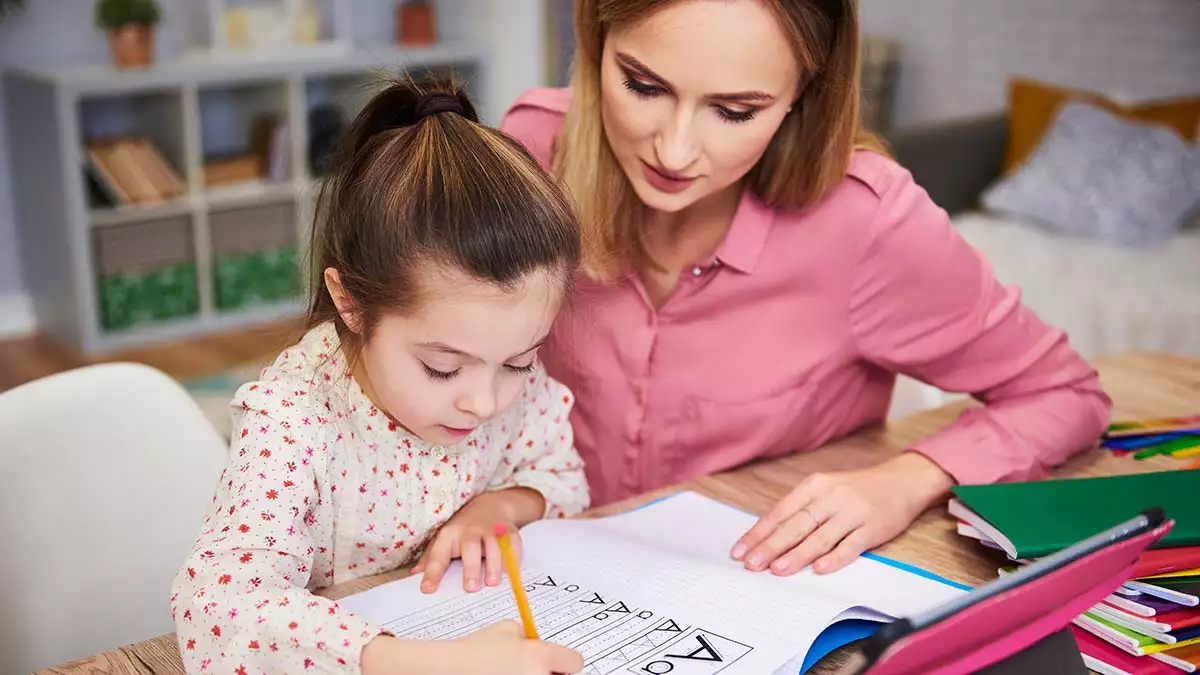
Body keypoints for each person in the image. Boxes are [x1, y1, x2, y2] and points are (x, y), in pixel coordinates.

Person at [500, 0, 1110, 580]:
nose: (675, 150)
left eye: (735, 111)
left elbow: (1064, 394)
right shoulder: (531, 151)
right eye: (643, 86)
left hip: (753, 589)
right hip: (538, 568)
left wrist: (909, 479)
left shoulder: (868, 221)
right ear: (595, 41)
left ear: (803, 94)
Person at [170, 77, 588, 675]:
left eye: (520, 362)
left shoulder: (497, 372)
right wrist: (424, 664)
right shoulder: (293, 419)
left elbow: (563, 477)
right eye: (442, 367)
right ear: (351, 304)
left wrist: (501, 506)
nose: (484, 401)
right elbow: (220, 603)